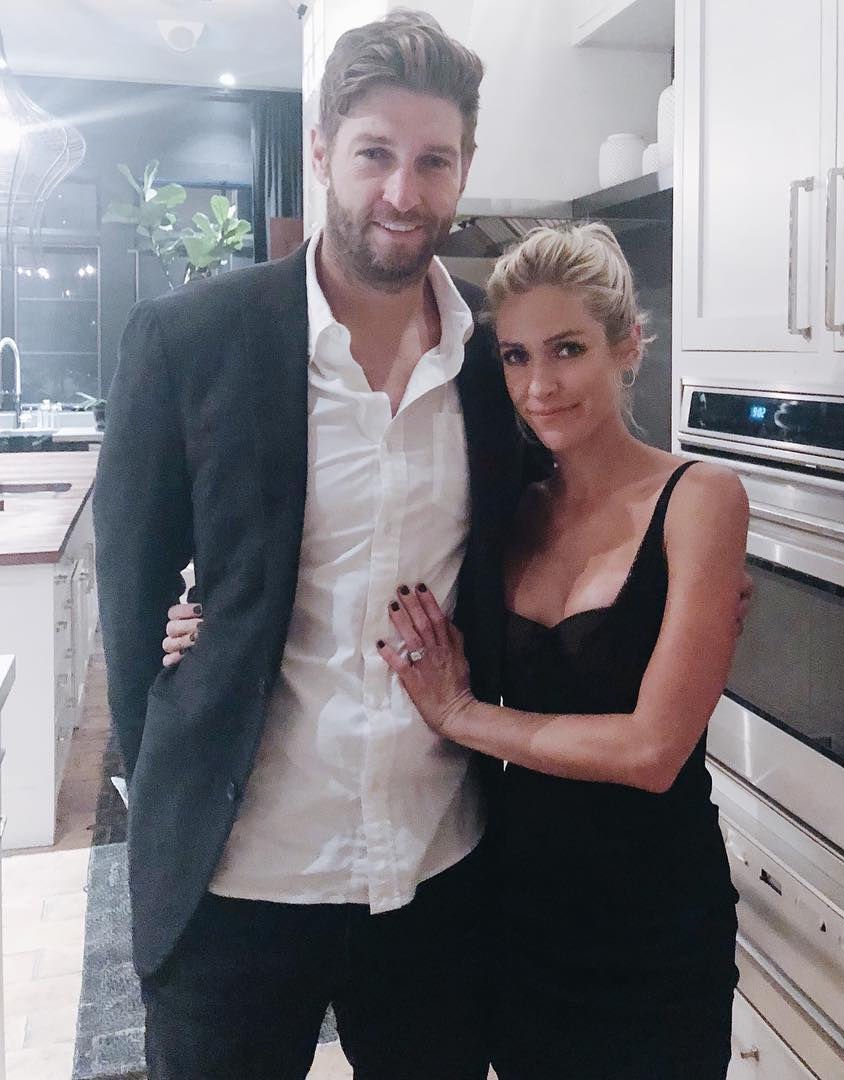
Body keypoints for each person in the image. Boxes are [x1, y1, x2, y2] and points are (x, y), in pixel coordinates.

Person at [166, 224, 749, 1079]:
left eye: (568, 349)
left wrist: (462, 716)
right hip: (513, 906)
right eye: (515, 356)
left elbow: (652, 751)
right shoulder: (510, 505)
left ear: (628, 345)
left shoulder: (700, 498)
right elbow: (346, 566)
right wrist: (203, 622)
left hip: (652, 915)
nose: (540, 385)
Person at [95, 12, 520, 1079]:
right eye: (375, 154)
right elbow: (131, 600)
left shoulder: (496, 361)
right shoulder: (189, 341)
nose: (403, 193)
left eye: (434, 160)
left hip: (434, 870)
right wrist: (171, 788)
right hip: (240, 877)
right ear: (323, 152)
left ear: (465, 168)